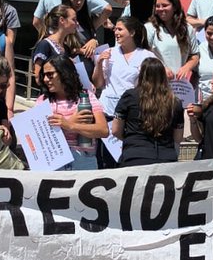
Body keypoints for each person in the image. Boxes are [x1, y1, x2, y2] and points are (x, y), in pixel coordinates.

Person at [93, 17, 156, 166]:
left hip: (132, 113)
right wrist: (99, 62)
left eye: (120, 29)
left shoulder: (146, 56)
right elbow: (98, 83)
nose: (116, 32)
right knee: (105, 159)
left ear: (132, 32)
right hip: (108, 112)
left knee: (127, 157)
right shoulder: (109, 53)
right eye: (115, 29)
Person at [38, 54, 110, 170]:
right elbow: (40, 136)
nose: (46, 79)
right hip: (55, 161)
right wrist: (68, 123)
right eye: (44, 75)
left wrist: (71, 125)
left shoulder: (86, 97)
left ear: (64, 73)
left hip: (84, 161)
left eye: (50, 75)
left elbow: (103, 130)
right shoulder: (43, 101)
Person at [112, 58, 185, 165]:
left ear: (142, 75)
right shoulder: (176, 102)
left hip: (135, 157)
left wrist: (131, 140)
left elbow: (115, 130)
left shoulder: (129, 96)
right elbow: (178, 138)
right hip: (166, 158)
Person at [146, 0, 199, 84]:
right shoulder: (150, 28)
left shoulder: (188, 29)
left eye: (165, 5)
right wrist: (161, 68)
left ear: (175, 7)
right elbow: (145, 54)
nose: (160, 9)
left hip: (179, 85)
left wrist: (186, 68)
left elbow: (195, 55)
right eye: (158, 6)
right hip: (157, 83)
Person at [30, 4, 81, 86]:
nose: (77, 23)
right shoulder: (45, 45)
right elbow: (38, 77)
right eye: (73, 20)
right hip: (51, 96)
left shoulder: (66, 48)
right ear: (62, 20)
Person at [63, 0, 101, 75]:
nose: (79, 2)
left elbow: (92, 38)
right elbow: (58, 46)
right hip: (70, 73)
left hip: (89, 75)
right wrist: (81, 51)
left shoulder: (86, 18)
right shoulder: (60, 19)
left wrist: (94, 41)